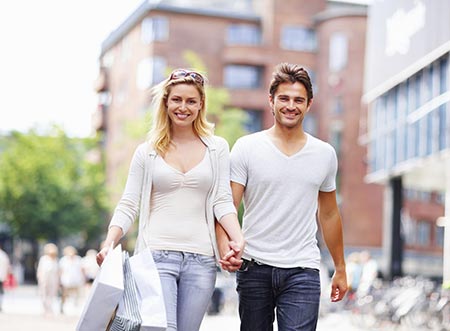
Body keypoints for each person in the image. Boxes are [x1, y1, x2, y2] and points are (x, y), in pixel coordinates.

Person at [96, 68, 245, 331]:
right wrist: (109, 242)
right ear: (166, 102)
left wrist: (238, 237)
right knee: (163, 328)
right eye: (176, 99)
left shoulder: (217, 148)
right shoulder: (148, 152)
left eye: (190, 101)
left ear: (201, 105)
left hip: (202, 261)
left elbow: (222, 201)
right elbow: (129, 204)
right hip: (157, 257)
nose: (183, 107)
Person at [217, 62, 348, 330]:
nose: (291, 106)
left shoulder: (324, 154)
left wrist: (341, 267)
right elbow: (227, 205)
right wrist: (225, 248)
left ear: (309, 104)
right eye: (284, 98)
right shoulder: (247, 148)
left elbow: (330, 213)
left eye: (299, 100)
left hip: (303, 268)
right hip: (254, 267)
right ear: (271, 101)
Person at [59, 245, 84, 314]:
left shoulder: (78, 259)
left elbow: (82, 270)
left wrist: (83, 278)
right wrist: (60, 280)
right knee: (64, 295)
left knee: (77, 295)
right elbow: (61, 271)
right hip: (66, 280)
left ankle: (75, 307)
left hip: (76, 279)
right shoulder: (63, 260)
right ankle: (62, 307)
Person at [36, 243, 60, 316]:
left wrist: (58, 281)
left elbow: (58, 271)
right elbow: (40, 270)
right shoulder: (43, 259)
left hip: (53, 279)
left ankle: (49, 308)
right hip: (44, 278)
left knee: (51, 294)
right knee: (43, 294)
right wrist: (40, 278)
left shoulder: (56, 260)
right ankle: (45, 308)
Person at [0, 244, 11, 312]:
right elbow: (8, 266)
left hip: (1, 275)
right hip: (2, 276)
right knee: (1, 291)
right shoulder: (4, 255)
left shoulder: (4, 255)